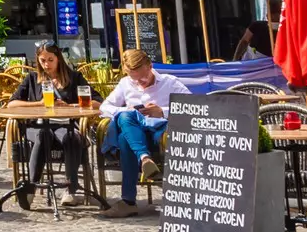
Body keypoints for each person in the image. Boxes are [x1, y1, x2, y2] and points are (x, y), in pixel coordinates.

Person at [98, 48, 187, 217]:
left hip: (160, 134)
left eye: (143, 77)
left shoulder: (170, 82)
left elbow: (191, 106)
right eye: (135, 79)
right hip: (136, 132)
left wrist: (162, 111)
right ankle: (145, 158)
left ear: (150, 66)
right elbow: (104, 107)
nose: (140, 83)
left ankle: (128, 201)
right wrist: (128, 110)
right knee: (125, 119)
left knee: (124, 138)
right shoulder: (125, 84)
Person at [11, 43, 88, 206]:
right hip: (37, 125)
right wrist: (38, 104)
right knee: (43, 134)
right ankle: (31, 187)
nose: (46, 64)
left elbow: (97, 101)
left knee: (72, 137)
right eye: (43, 60)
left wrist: (70, 106)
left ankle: (71, 189)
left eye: (50, 60)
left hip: (64, 125)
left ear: (59, 58)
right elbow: (12, 104)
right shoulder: (32, 78)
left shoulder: (74, 77)